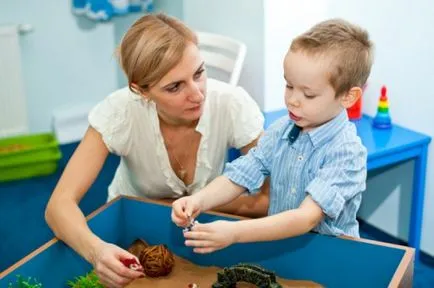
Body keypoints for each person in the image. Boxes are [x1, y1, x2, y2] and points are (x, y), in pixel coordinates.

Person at [45, 13, 266, 288]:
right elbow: (58, 206)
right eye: (174, 87)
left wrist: (199, 202)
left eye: (199, 72)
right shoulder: (118, 111)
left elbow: (272, 198)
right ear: (141, 91)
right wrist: (97, 251)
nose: (198, 94)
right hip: (132, 230)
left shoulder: (233, 104)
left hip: (203, 226)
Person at [172, 18, 374, 254]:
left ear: (348, 97)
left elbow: (306, 218)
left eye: (308, 94)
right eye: (289, 86)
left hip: (330, 256)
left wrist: (235, 232)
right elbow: (241, 174)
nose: (292, 100)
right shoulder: (281, 129)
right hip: (282, 248)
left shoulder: (346, 152)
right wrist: (199, 200)